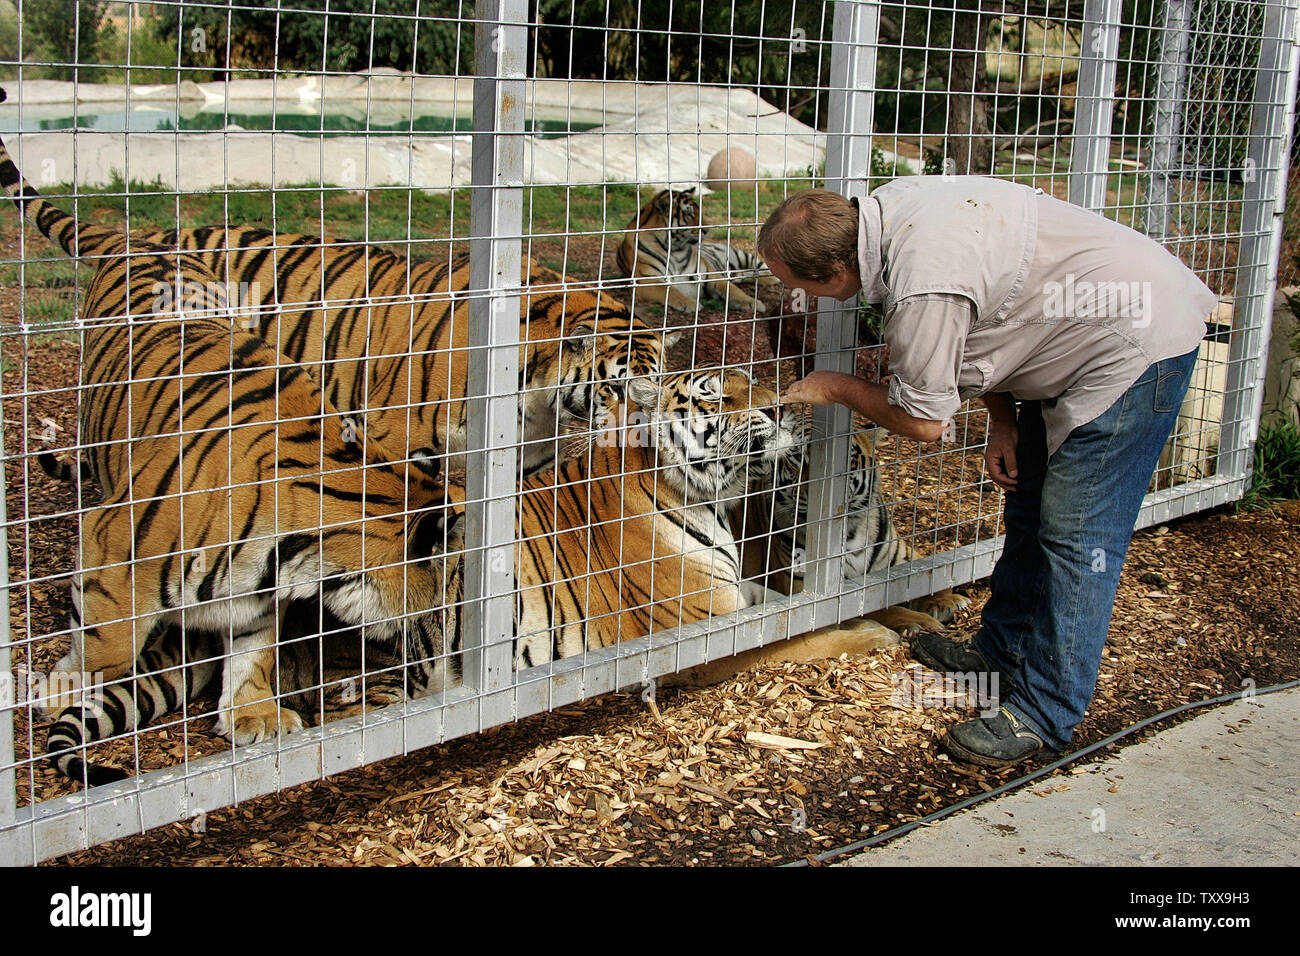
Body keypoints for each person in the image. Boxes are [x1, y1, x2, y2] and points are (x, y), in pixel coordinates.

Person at [758, 177, 1215, 767]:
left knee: (1077, 540)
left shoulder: (923, 285)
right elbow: (993, 314)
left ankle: (1043, 715)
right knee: (1029, 508)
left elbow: (925, 421)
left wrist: (836, 387)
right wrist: (1003, 422)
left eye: (801, 287)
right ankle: (999, 656)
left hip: (1133, 346)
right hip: (1079, 334)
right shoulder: (890, 211)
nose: (802, 299)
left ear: (839, 272)